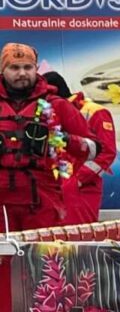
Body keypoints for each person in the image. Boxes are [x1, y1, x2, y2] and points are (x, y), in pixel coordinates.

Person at [0, 44, 95, 233]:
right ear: (3, 70)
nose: (22, 73)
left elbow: (93, 149)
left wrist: (60, 139)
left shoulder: (56, 105)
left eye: (27, 67)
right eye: (14, 68)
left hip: (41, 201)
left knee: (42, 259)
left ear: (36, 69)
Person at [41, 72, 117, 224]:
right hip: (52, 187)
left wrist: (78, 180)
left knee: (79, 238)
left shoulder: (94, 112)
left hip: (81, 189)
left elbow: (107, 152)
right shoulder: (48, 114)